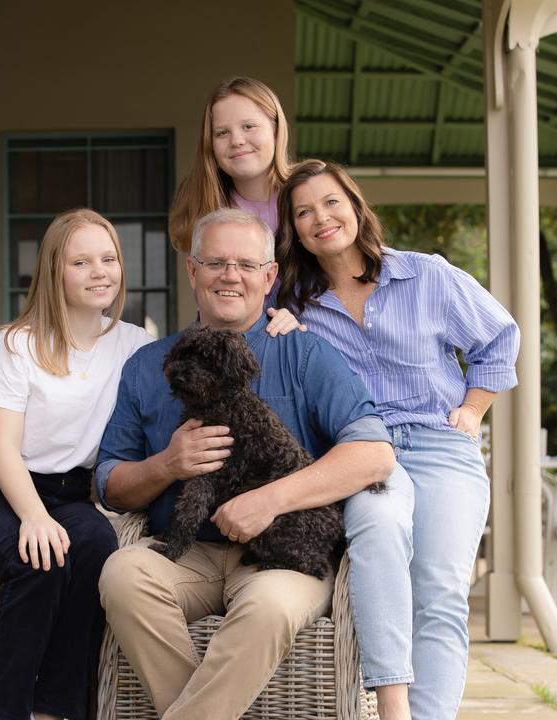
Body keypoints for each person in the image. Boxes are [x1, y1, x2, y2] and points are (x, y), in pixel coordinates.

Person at [0, 208, 305, 720]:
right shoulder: (17, 344)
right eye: (81, 262)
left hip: (72, 494)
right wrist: (32, 516)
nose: (100, 271)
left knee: (95, 549)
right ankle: (3, 710)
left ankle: (60, 709)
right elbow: (4, 448)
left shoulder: (134, 344)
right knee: (41, 560)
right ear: (54, 271)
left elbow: (214, 325)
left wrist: (279, 314)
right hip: (3, 490)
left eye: (109, 258)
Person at [96, 208, 401, 720]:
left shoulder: (305, 355)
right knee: (122, 574)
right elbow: (112, 485)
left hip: (281, 556)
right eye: (215, 262)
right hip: (185, 553)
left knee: (269, 607)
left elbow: (374, 455)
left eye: (244, 263)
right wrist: (168, 465)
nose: (229, 275)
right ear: (192, 272)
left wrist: (268, 500)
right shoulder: (149, 365)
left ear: (268, 277)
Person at [276, 159, 520, 720]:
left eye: (331, 202)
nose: (321, 218)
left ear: (356, 206)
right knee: (378, 530)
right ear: (294, 230)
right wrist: (285, 330)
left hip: (440, 446)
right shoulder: (295, 306)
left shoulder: (425, 275)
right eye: (304, 211)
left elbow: (500, 336)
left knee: (438, 592)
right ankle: (391, 706)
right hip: (363, 453)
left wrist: (473, 409)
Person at [167, 76, 292, 253]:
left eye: (249, 126)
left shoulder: (308, 196)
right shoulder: (201, 205)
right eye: (222, 133)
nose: (237, 141)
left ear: (276, 131)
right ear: (210, 144)